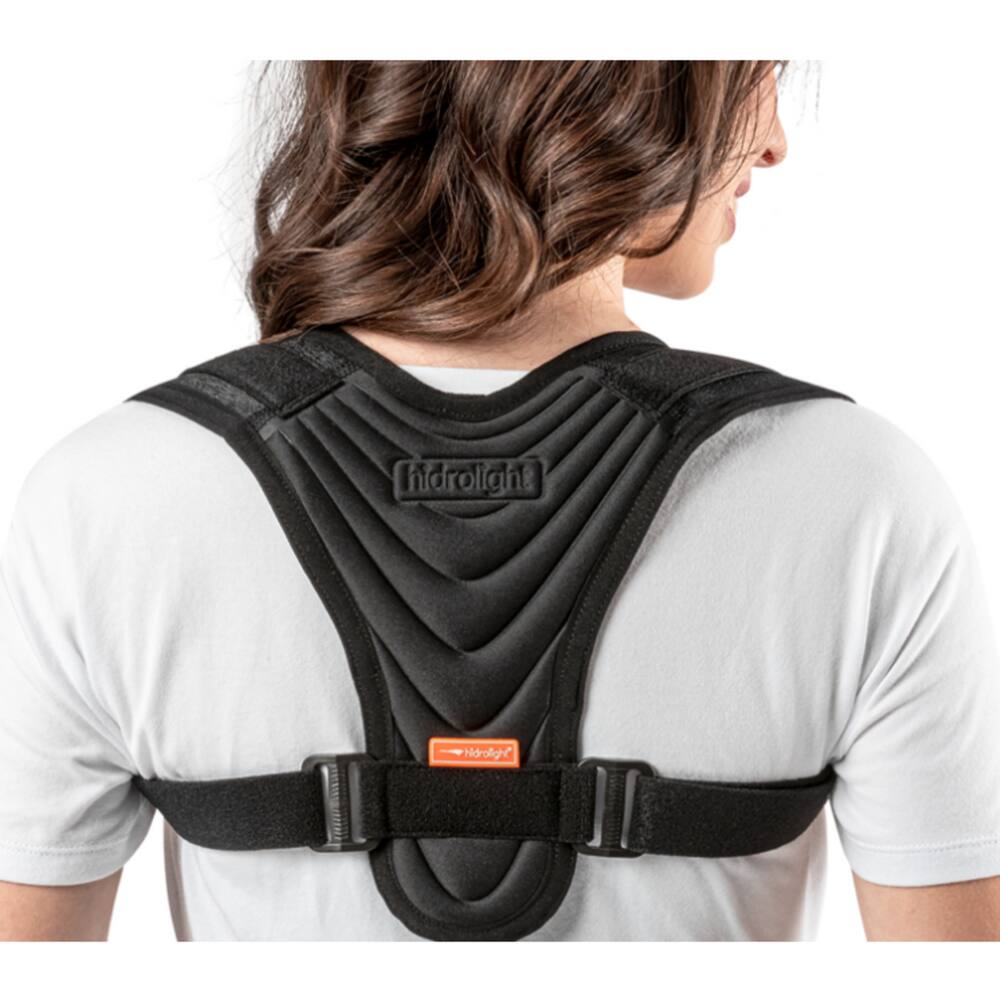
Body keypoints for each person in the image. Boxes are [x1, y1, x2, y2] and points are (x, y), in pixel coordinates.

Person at [1, 60, 998, 941]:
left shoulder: (111, 494)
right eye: (751, 69)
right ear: (631, 80)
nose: (774, 140)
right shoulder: (856, 492)